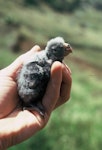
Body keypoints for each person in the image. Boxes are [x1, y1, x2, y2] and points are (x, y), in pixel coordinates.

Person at [0, 45, 72, 149]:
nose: (68, 49)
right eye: (60, 49)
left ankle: (31, 103)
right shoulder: (41, 64)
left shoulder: (47, 62)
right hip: (27, 96)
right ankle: (30, 104)